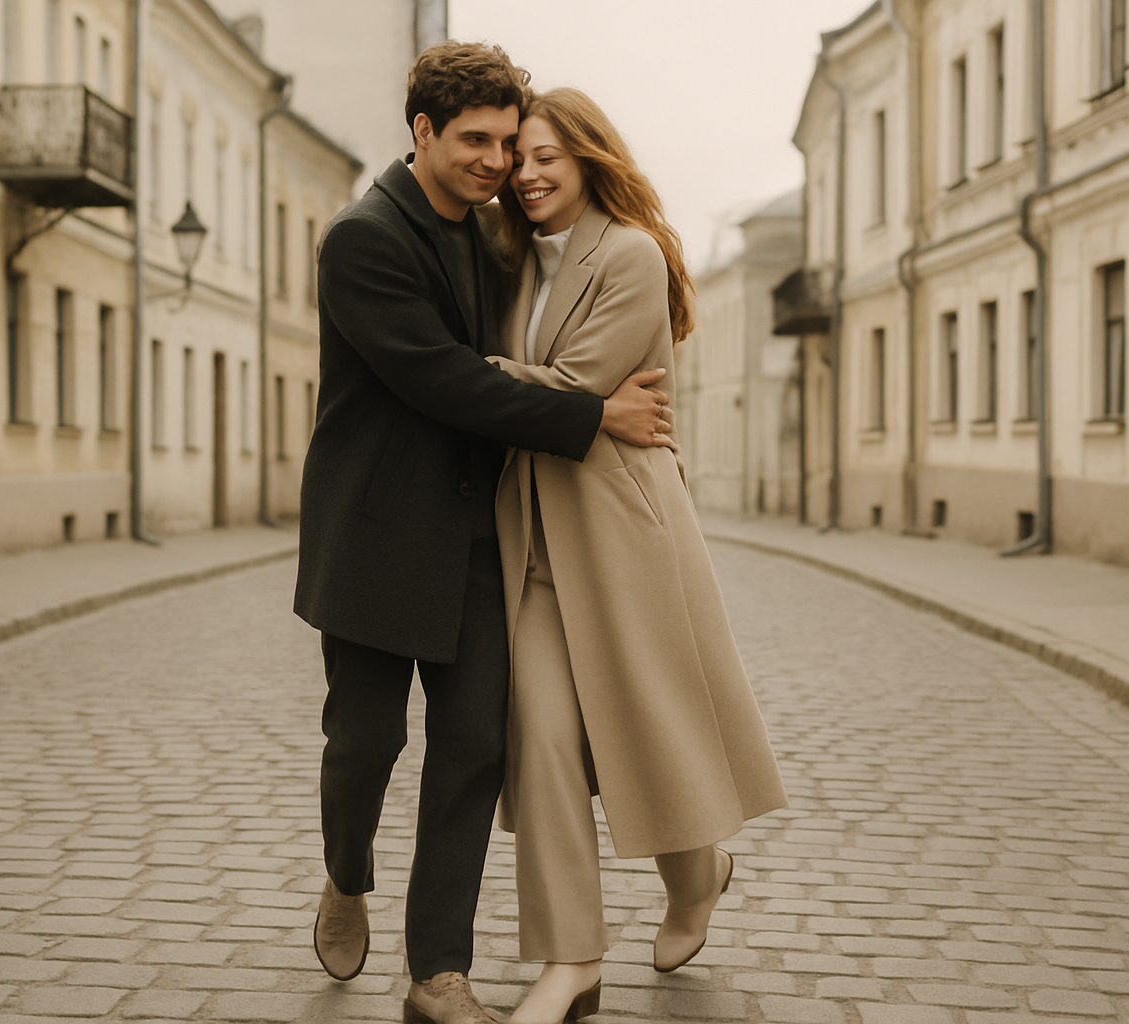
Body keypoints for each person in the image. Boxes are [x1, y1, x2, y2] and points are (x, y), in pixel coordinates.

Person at [293, 46, 676, 1024]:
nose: (498, 161)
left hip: (474, 534)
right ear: (422, 131)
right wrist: (594, 414)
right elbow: (442, 380)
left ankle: (438, 974)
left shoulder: (492, 232)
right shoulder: (363, 239)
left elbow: (550, 316)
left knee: (472, 749)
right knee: (367, 742)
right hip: (376, 534)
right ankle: (346, 873)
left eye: (508, 142)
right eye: (477, 140)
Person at [484, 88, 788, 1024]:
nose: (528, 175)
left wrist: (460, 378)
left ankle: (697, 877)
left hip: (621, 525)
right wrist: (521, 390)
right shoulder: (508, 259)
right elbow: (567, 399)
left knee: (650, 724)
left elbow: (575, 386)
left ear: (589, 158)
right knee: (541, 740)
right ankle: (571, 961)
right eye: (519, 159)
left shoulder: (629, 254)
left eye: (548, 157)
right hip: (534, 537)